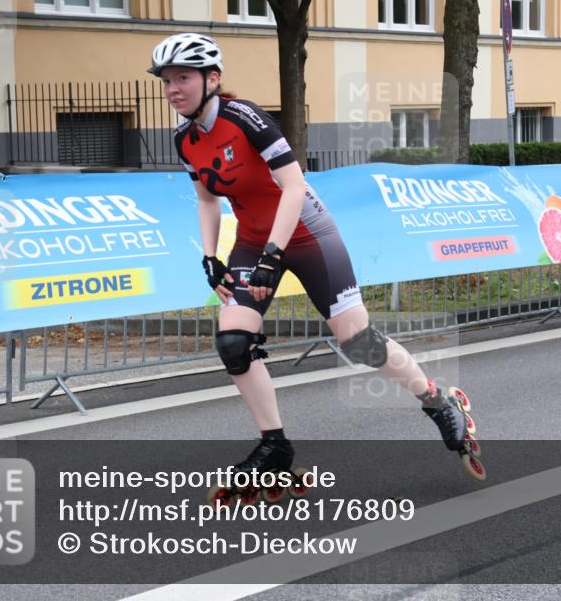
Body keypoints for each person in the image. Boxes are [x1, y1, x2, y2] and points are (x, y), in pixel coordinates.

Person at [150, 33, 484, 501]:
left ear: (212, 79)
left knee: (358, 340)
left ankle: (437, 400)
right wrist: (210, 256)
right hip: (253, 240)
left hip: (308, 235)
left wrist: (272, 258)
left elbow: (292, 185)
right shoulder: (185, 139)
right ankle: (275, 447)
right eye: (166, 80)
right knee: (233, 342)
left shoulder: (245, 118)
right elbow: (206, 198)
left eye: (182, 78)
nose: (172, 89)